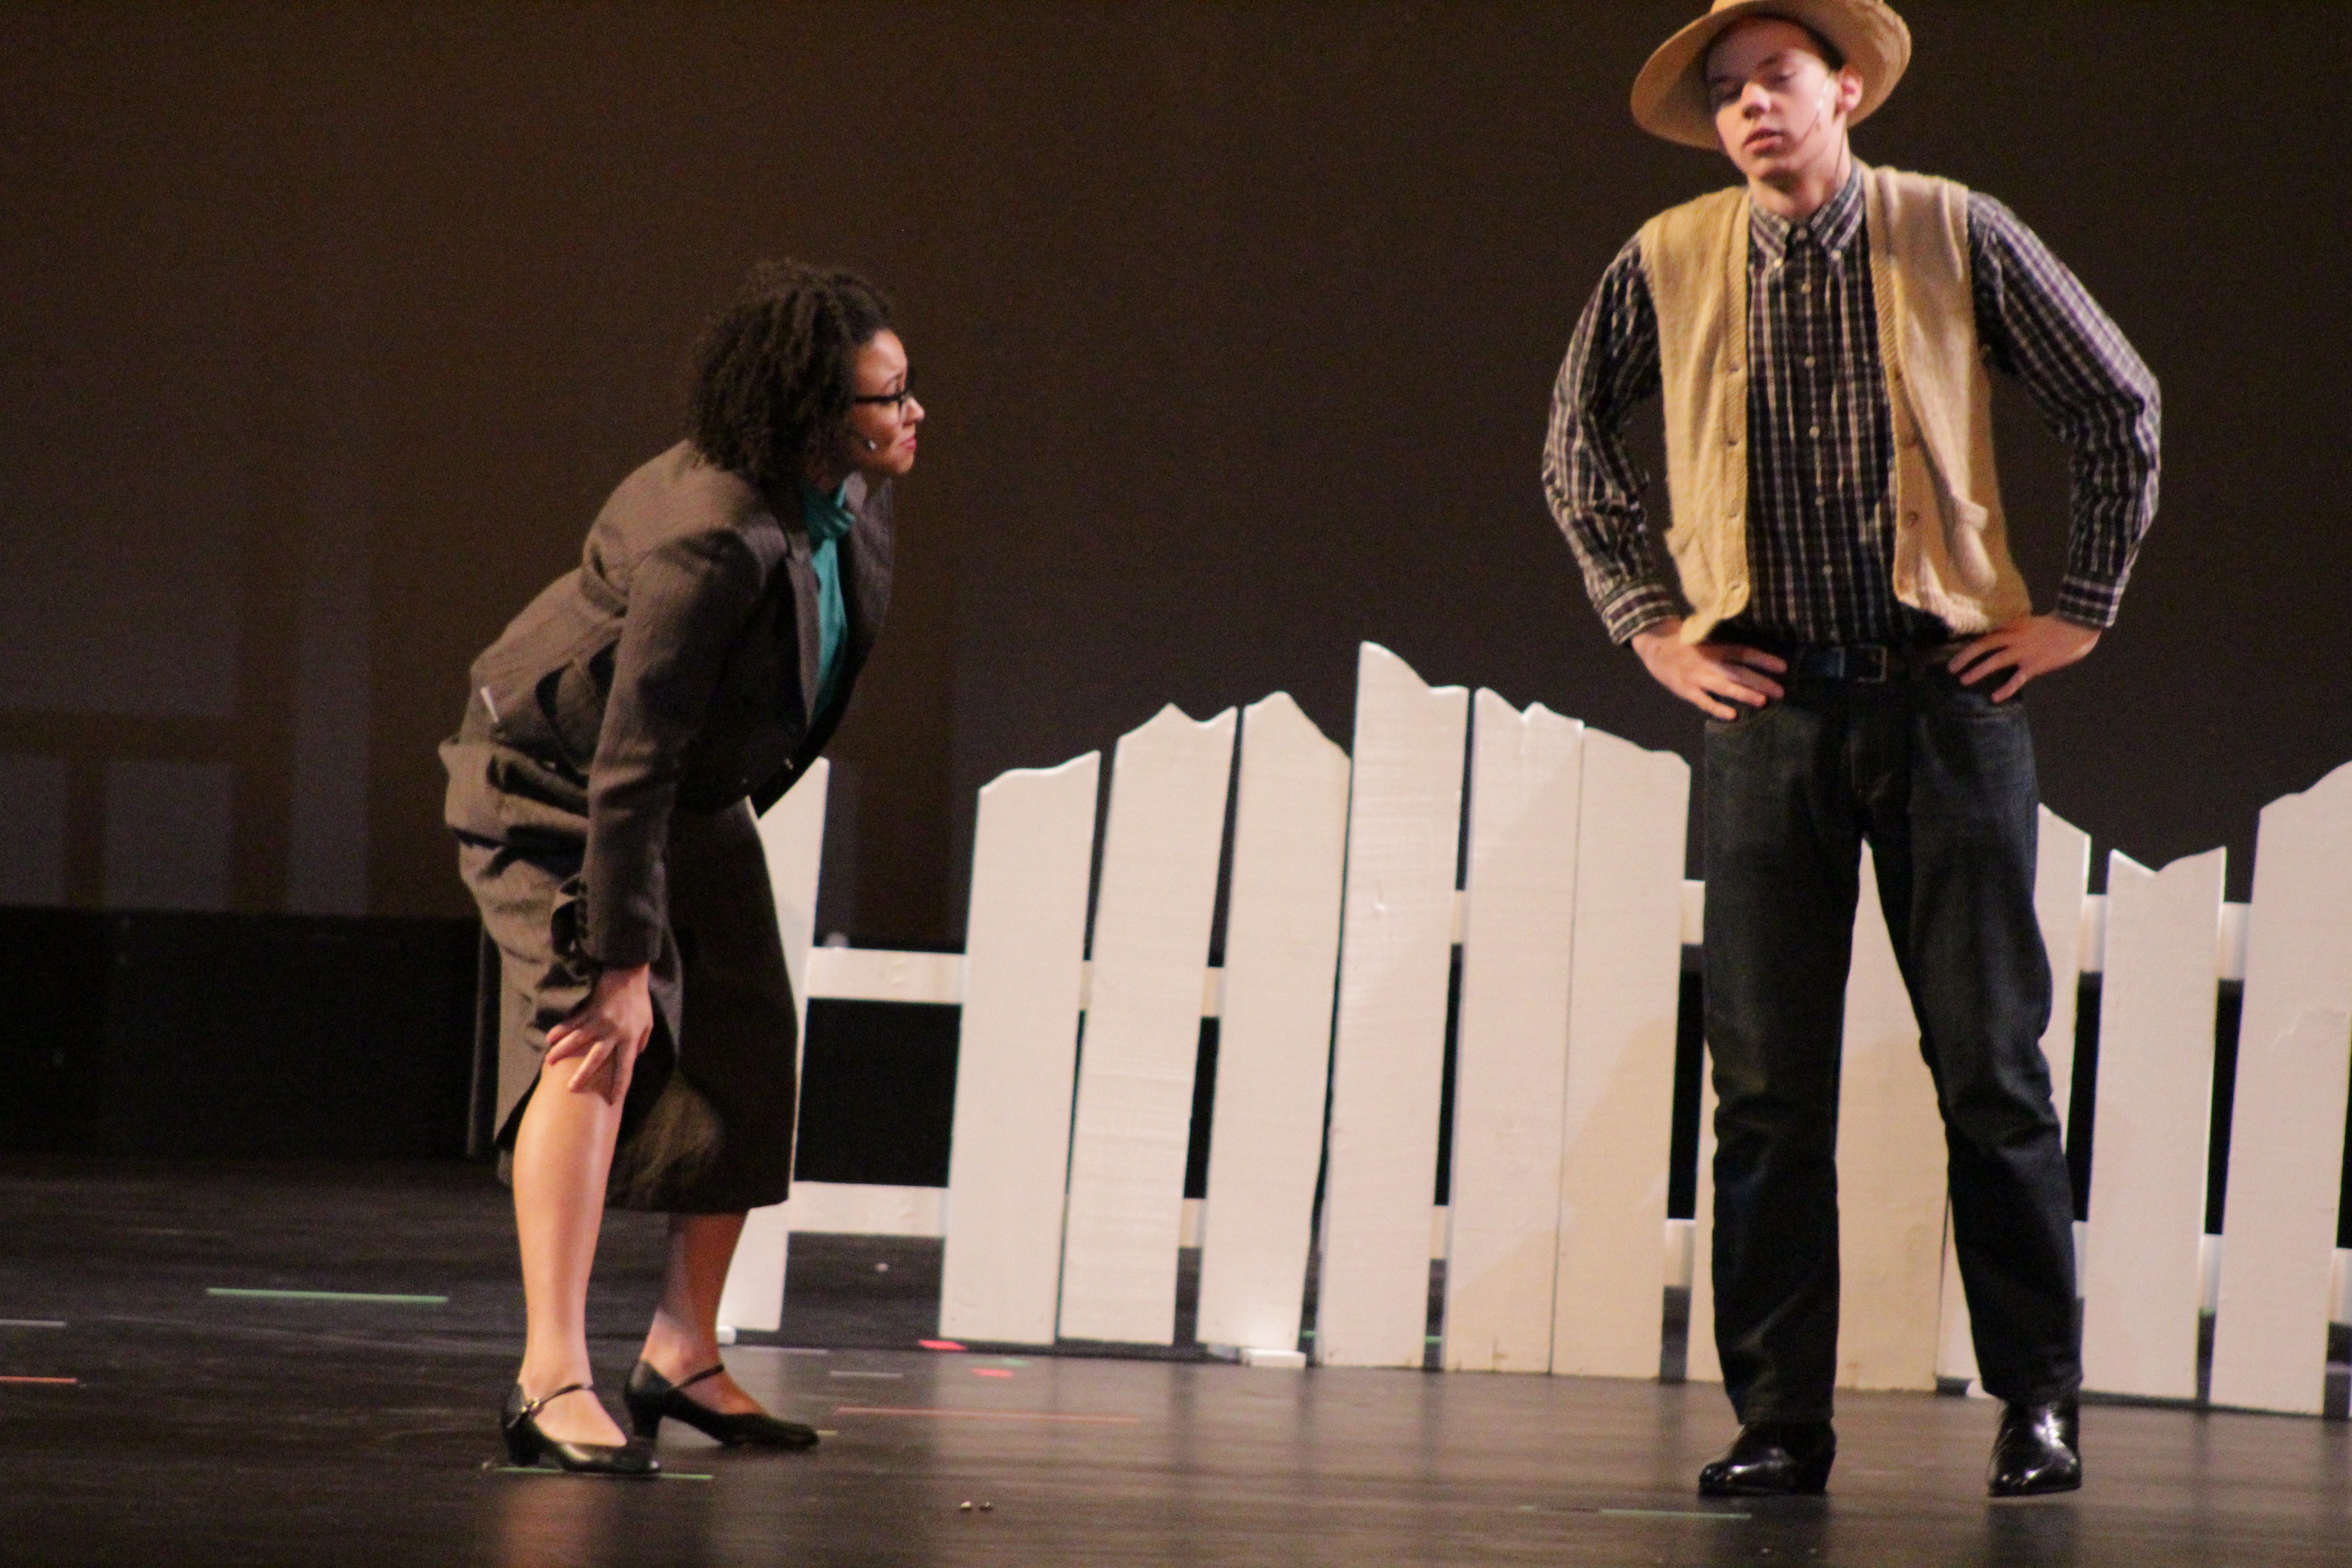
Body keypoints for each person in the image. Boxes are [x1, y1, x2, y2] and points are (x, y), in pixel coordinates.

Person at [1542, 0, 2158, 1499]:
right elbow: (1573, 443)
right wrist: (1652, 628)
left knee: (1992, 1071)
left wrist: (2078, 612)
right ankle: (1779, 1424)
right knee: (1765, 1093)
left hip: (1945, 703)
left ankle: (2037, 1404)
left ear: (1847, 90)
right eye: (1728, 91)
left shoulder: (1953, 231)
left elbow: (2117, 403)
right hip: (1772, 716)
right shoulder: (1670, 257)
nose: (1753, 107)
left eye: (1778, 78)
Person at [441, 260, 921, 1475]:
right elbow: (631, 753)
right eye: (886, 397)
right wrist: (619, 964)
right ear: (814, 414)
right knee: (595, 1036)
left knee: (749, 1039)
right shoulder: (712, 538)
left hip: (679, 790)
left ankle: (681, 1355)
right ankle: (549, 1378)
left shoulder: (847, 503)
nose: (913, 413)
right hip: (555, 782)